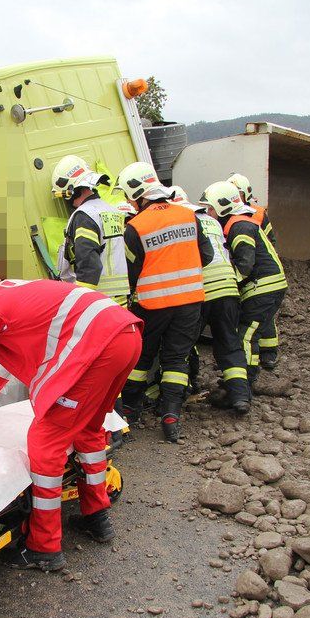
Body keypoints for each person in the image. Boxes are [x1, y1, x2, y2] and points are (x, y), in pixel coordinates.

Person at [0, 277, 141, 571]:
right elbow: (7, 362)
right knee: (87, 430)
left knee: (46, 443)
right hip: (126, 335)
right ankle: (97, 516)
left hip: (97, 346)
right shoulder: (9, 292)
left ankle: (44, 547)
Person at [115, 162, 213, 442]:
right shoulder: (188, 215)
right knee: (176, 359)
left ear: (137, 194)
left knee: (142, 359)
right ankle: (171, 417)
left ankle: (130, 410)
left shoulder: (135, 227)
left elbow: (130, 273)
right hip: (190, 303)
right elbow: (206, 256)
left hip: (152, 306)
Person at [168, 187, 251, 415]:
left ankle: (179, 393)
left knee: (183, 344)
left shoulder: (181, 222)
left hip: (201, 289)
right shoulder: (211, 221)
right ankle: (240, 397)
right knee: (229, 341)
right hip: (228, 286)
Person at [201, 180, 288, 387]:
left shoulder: (239, 227)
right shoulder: (240, 223)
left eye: (210, 208)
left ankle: (246, 379)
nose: (208, 213)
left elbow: (245, 264)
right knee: (249, 332)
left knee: (246, 335)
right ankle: (247, 376)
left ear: (222, 207)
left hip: (262, 287)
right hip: (265, 286)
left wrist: (230, 285)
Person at [51, 155, 130, 305]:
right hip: (119, 302)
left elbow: (89, 267)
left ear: (71, 190)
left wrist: (77, 302)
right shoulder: (111, 211)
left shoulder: (84, 216)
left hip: (98, 303)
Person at [227, 172, 280, 370]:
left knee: (260, 319)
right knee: (253, 318)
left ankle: (268, 353)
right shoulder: (231, 216)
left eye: (238, 193)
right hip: (250, 271)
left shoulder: (257, 213)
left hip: (258, 271)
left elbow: (270, 240)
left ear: (246, 194)